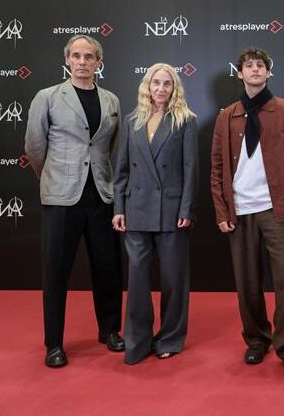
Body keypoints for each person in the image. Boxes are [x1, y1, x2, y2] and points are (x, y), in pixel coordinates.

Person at [25, 35, 124, 368]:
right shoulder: (48, 97)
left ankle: (110, 331)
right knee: (56, 272)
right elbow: (34, 147)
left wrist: (101, 179)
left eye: (89, 57)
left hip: (102, 196)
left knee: (108, 267)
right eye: (77, 56)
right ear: (67, 60)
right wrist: (53, 177)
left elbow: (110, 147)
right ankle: (54, 343)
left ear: (98, 62)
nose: (83, 61)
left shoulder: (111, 100)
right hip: (61, 198)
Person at [210, 47, 284, 380]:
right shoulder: (227, 116)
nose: (254, 69)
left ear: (269, 71)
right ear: (239, 73)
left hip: (276, 209)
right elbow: (217, 167)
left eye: (260, 65)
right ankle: (256, 339)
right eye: (248, 66)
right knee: (247, 282)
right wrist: (221, 209)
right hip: (240, 211)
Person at [112, 63, 198, 364]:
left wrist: (186, 208)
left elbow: (190, 169)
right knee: (137, 278)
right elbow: (121, 170)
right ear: (147, 86)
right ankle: (137, 341)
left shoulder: (185, 121)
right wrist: (119, 208)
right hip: (136, 208)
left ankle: (170, 338)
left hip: (171, 211)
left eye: (167, 83)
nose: (161, 88)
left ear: (174, 88)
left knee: (173, 278)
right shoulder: (132, 121)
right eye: (156, 83)